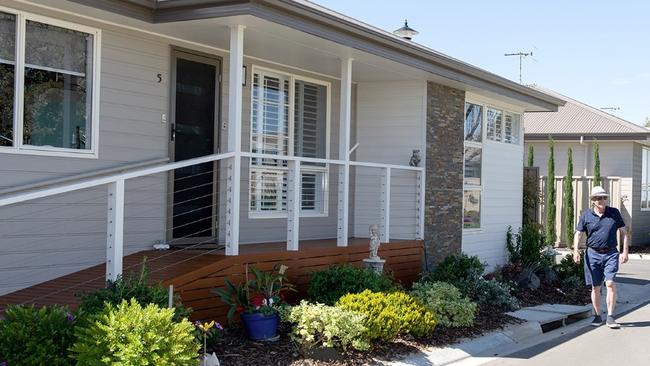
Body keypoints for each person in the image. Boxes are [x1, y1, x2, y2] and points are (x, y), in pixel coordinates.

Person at [573, 186, 629, 329]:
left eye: (604, 197)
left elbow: (624, 232)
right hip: (592, 254)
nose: (602, 200)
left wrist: (625, 252)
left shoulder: (614, 213)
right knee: (595, 287)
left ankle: (610, 317)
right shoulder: (586, 215)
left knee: (609, 283)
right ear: (593, 200)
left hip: (610, 253)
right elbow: (578, 234)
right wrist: (575, 251)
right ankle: (597, 316)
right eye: (598, 198)